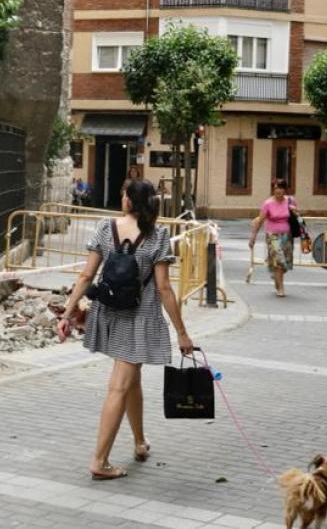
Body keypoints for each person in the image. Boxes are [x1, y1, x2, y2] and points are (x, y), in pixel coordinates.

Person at [55, 179, 195, 481]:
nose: (121, 198)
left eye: (123, 194)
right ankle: (99, 461)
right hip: (139, 318)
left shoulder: (106, 228)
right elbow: (164, 288)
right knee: (120, 385)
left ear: (130, 200)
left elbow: (86, 275)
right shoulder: (158, 235)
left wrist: (68, 313)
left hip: (110, 313)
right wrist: (182, 332)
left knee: (132, 380)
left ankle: (139, 441)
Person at [249, 179, 299, 297]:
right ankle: (281, 288)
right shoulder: (268, 203)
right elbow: (260, 220)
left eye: (281, 188)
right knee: (279, 262)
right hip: (272, 236)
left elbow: (298, 216)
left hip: (287, 235)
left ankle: (276, 275)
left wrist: (294, 210)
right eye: (276, 188)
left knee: (285, 264)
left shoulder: (290, 201)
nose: (278, 190)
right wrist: (253, 237)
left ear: (285, 190)